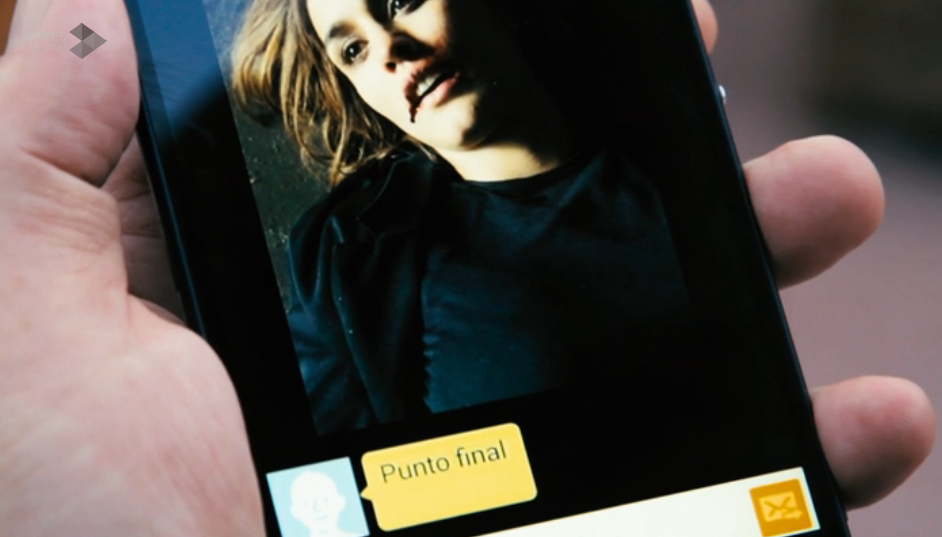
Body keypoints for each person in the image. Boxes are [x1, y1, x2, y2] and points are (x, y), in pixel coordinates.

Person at [0, 0, 933, 535]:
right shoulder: (353, 257)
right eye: (354, 49)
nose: (393, 54)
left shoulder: (668, 163)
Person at [232, 0, 707, 433]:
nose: (389, 50)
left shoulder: (680, 141)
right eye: (354, 50)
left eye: (401, 2)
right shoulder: (346, 266)